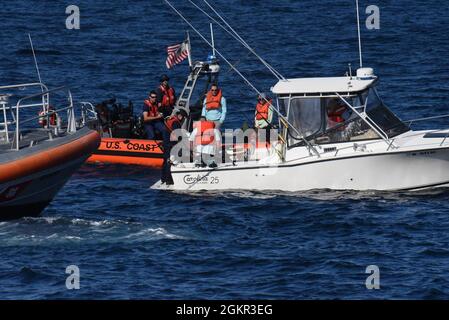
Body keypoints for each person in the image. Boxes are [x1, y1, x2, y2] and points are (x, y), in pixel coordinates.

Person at [161, 109, 188, 185]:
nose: (183, 120)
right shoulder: (176, 122)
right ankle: (169, 180)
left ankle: (163, 178)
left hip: (166, 143)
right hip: (170, 145)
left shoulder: (170, 119)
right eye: (184, 118)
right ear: (180, 116)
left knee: (165, 161)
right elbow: (177, 134)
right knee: (170, 162)